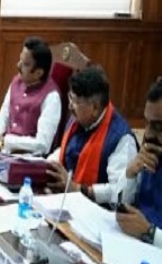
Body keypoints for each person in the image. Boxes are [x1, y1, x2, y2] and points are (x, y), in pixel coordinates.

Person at [46, 66, 137, 204]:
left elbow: (119, 194)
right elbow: (67, 151)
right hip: (64, 199)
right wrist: (46, 166)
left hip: (96, 212)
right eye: (70, 98)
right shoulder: (78, 119)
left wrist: (78, 189)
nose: (70, 106)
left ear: (95, 107)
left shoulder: (122, 139)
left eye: (75, 101)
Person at [0, 37, 61, 155]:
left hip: (28, 160)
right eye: (20, 60)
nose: (18, 65)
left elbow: (43, 145)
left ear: (39, 72)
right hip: (4, 152)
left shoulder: (51, 97)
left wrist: (9, 141)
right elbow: (3, 115)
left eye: (25, 64)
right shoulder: (16, 82)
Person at [116, 77, 162, 242]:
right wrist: (130, 174)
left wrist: (150, 232)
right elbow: (122, 205)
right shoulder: (151, 154)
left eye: (159, 127)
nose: (148, 134)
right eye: (147, 123)